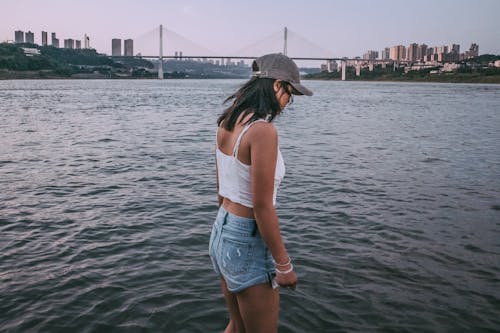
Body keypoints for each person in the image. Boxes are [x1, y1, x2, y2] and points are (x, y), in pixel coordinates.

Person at [208, 53, 313, 333]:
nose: (289, 102)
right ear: (277, 85)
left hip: (222, 231)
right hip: (246, 239)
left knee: (238, 327)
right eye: (290, 93)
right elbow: (262, 205)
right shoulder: (263, 131)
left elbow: (221, 192)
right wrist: (284, 264)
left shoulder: (227, 122)